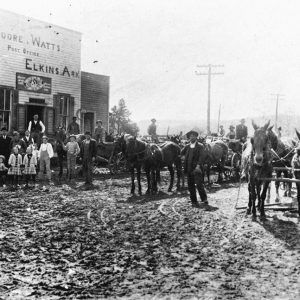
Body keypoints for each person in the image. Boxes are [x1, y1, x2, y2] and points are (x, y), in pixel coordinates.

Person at [181, 130, 208, 207]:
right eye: (190, 136)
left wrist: (198, 165)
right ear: (189, 137)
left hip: (197, 168)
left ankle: (204, 199)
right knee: (190, 185)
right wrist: (183, 158)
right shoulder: (187, 146)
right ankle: (194, 200)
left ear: (196, 137)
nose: (192, 137)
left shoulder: (200, 146)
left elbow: (202, 157)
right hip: (189, 168)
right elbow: (181, 153)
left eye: (194, 136)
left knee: (199, 184)